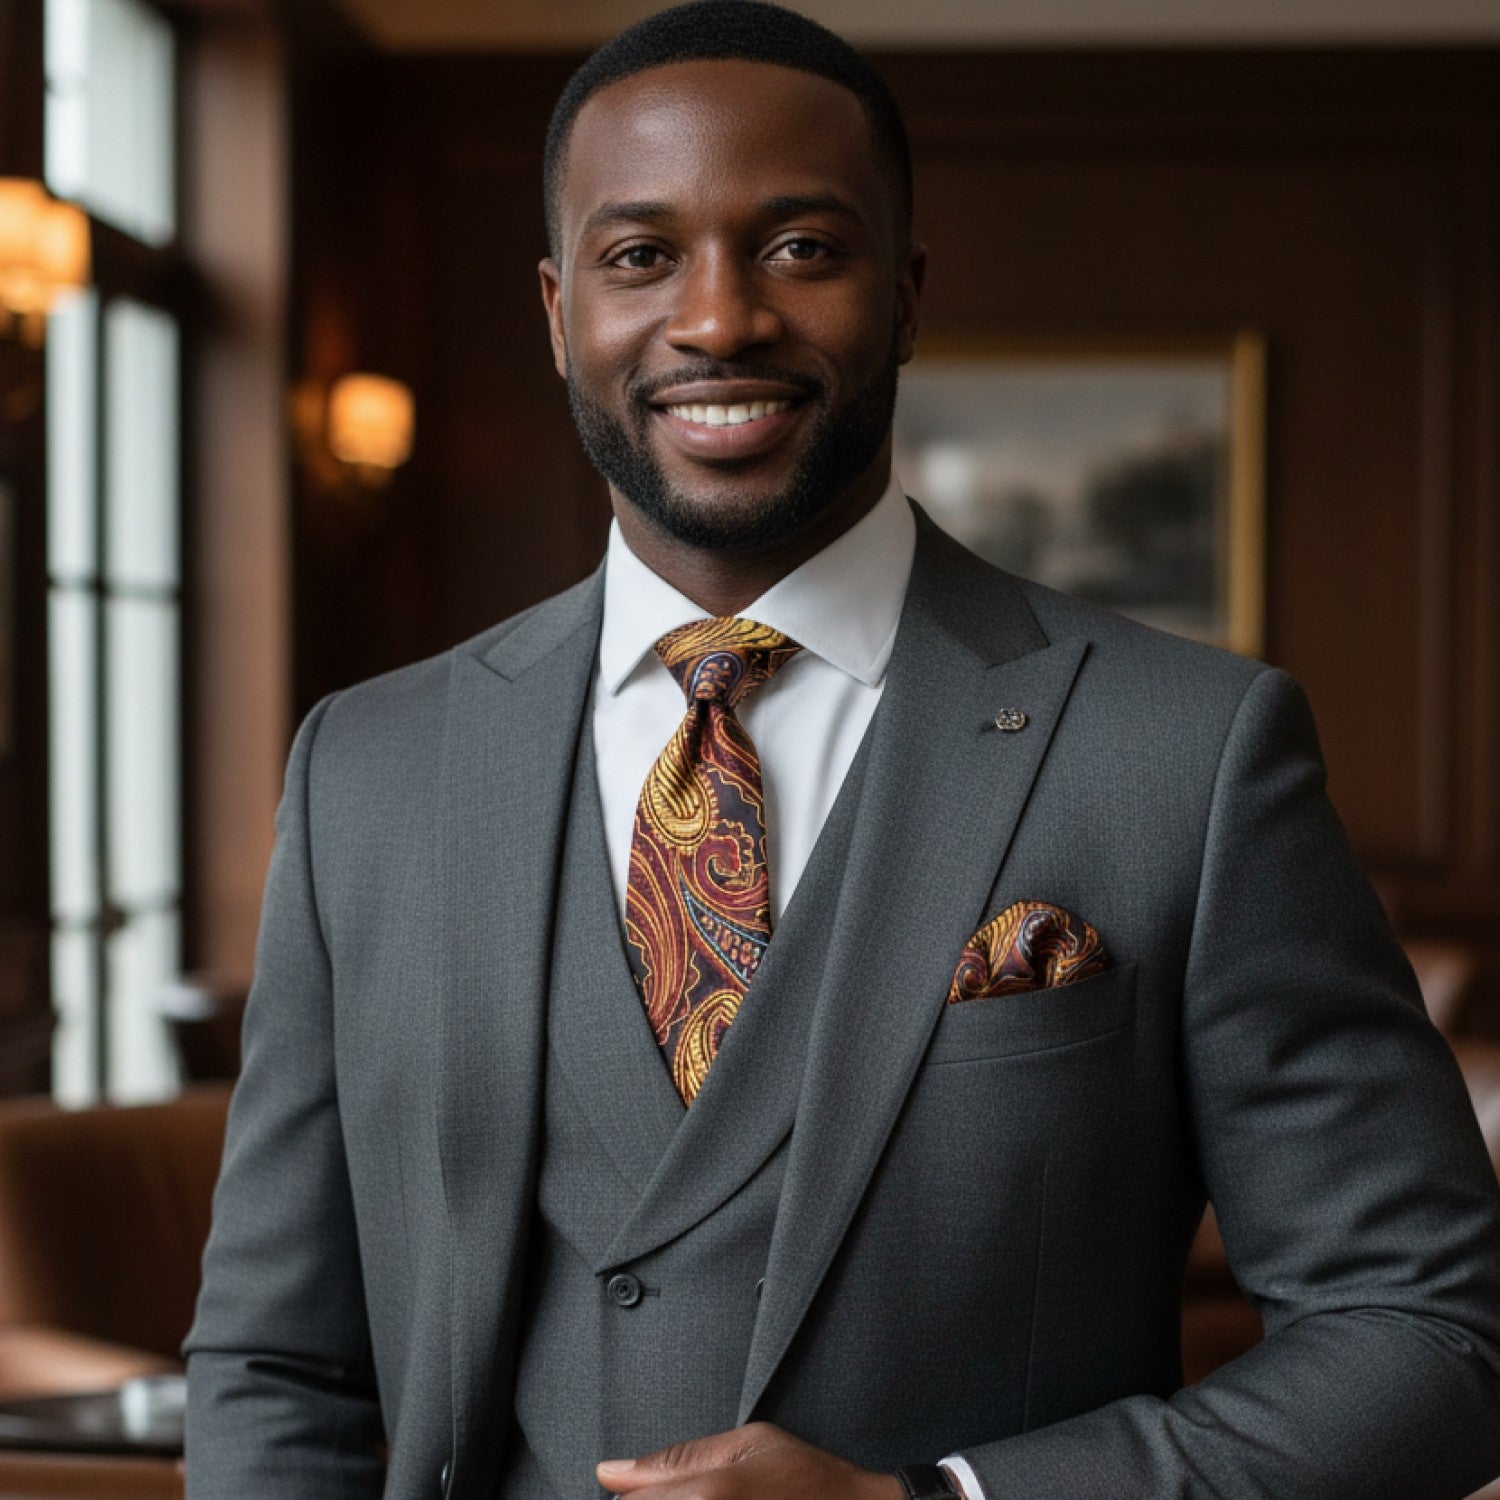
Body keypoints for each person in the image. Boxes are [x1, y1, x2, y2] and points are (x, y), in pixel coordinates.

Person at [183, 4, 1500, 1498]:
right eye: (639, 257)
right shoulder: (369, 768)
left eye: (801, 247)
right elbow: (275, 1365)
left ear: (907, 296)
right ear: (559, 313)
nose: (720, 317)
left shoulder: (1190, 753)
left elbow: (1428, 1339)